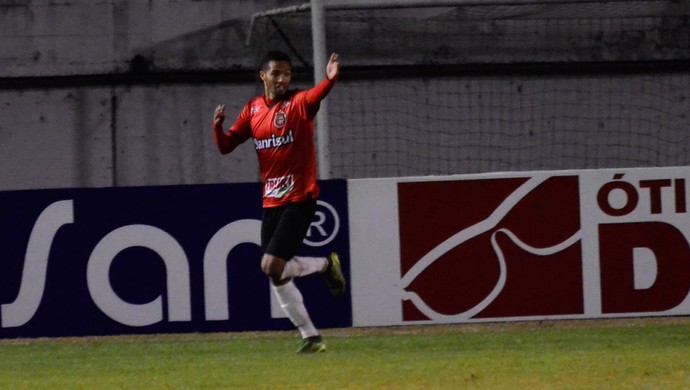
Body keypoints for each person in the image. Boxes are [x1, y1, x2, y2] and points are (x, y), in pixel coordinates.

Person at [212, 50, 346, 354]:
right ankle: (311, 336)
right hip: (271, 200)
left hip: (300, 197)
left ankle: (325, 267)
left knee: (272, 265)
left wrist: (329, 80)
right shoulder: (253, 109)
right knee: (274, 271)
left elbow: (315, 96)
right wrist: (217, 127)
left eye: (287, 74)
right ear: (264, 76)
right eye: (276, 73)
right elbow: (226, 146)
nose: (282, 79)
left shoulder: (298, 104)